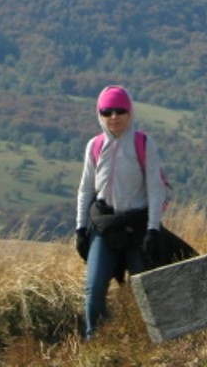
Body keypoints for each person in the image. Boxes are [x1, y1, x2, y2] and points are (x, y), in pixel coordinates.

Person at [74, 85, 167, 339]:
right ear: (100, 114)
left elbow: (156, 188)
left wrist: (153, 229)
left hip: (138, 228)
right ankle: (95, 342)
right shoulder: (94, 146)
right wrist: (81, 229)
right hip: (104, 227)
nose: (114, 117)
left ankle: (150, 339)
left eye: (120, 110)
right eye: (107, 112)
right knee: (94, 289)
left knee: (143, 289)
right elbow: (85, 189)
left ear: (130, 112)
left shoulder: (143, 144)